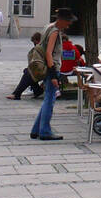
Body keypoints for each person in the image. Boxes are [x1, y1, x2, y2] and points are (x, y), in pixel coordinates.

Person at [30, 9, 73, 141]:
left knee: (47, 99)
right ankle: (45, 131)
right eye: (68, 21)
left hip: (47, 67)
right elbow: (49, 53)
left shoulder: (47, 27)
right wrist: (54, 75)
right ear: (61, 20)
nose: (69, 24)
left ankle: (36, 130)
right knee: (50, 100)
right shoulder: (54, 32)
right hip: (51, 67)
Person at [7, 33, 47, 100]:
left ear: (38, 40)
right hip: (47, 68)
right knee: (28, 71)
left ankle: (16, 94)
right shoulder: (43, 47)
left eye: (35, 42)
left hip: (49, 69)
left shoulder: (39, 48)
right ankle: (37, 91)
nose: (34, 44)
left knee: (28, 73)